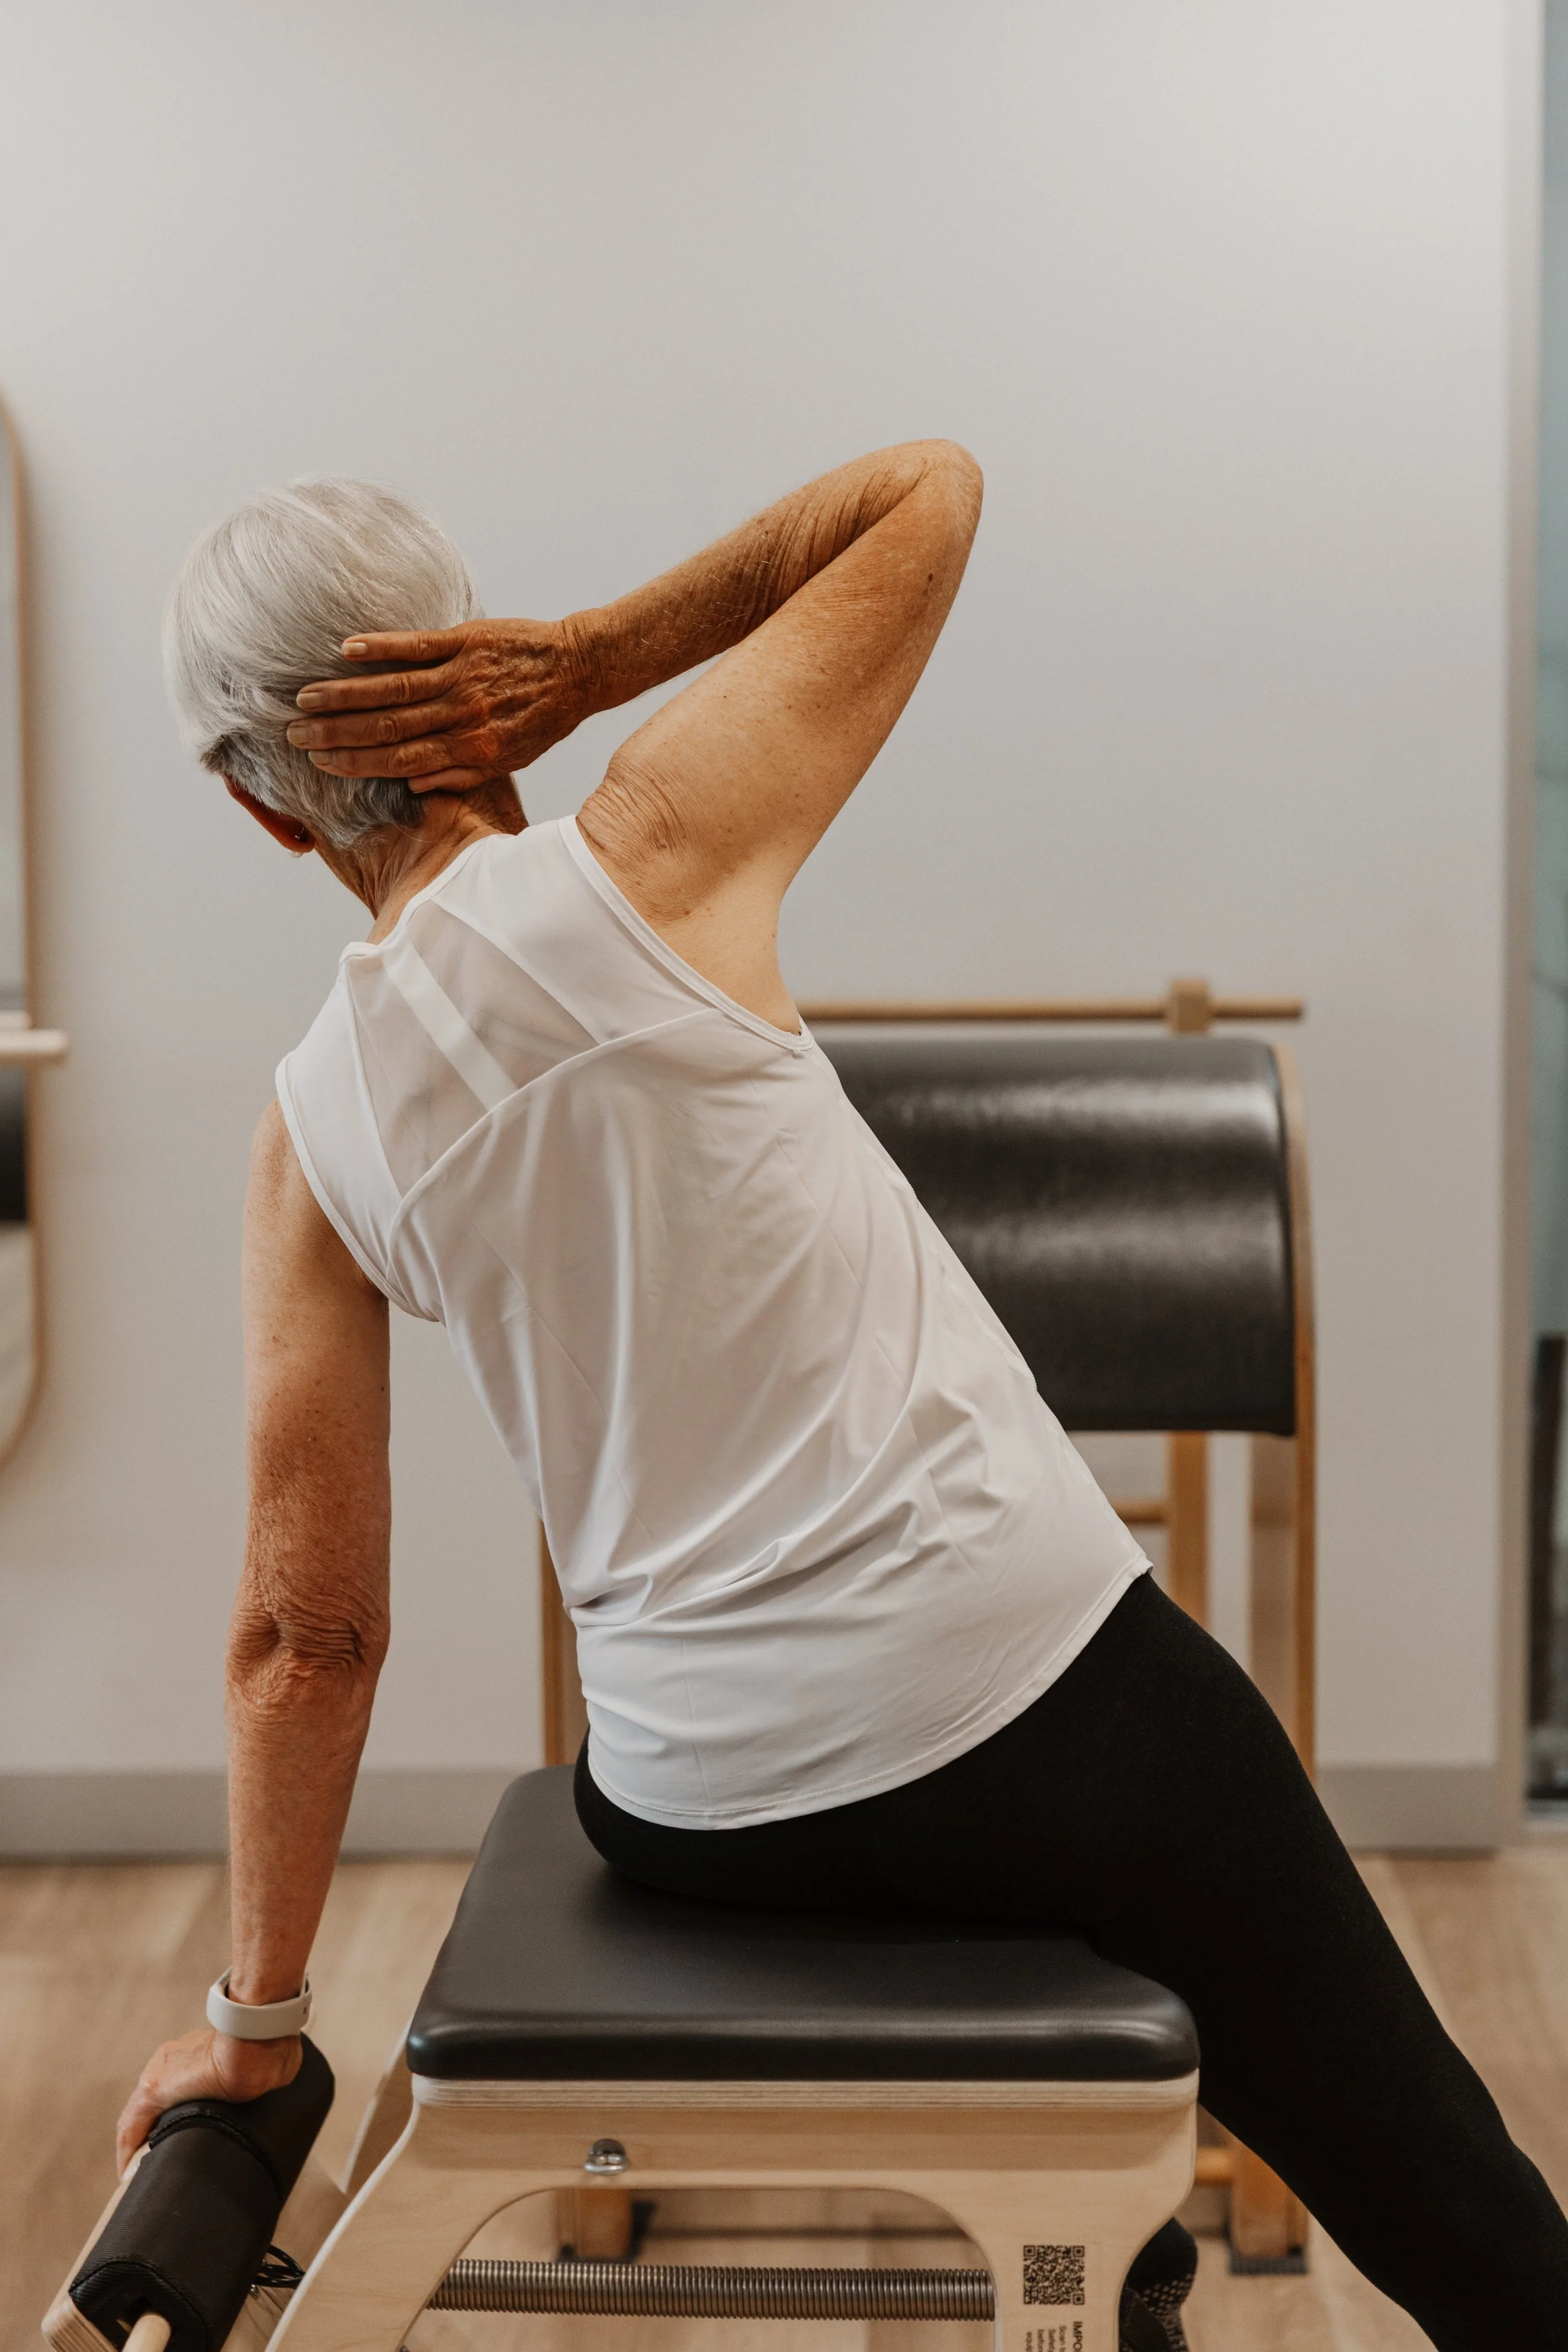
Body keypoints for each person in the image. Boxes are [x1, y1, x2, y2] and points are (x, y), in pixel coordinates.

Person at [122, 448, 1567, 2348]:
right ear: (476, 668)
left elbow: (305, 1633)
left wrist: (255, 2024)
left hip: (703, 1802)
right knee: (1452, 2199)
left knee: (1050, 1971)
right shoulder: (657, 841)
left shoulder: (306, 1137)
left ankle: (1106, 2255)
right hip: (1047, 1703)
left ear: (266, 815)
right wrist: (598, 651)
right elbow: (926, 494)